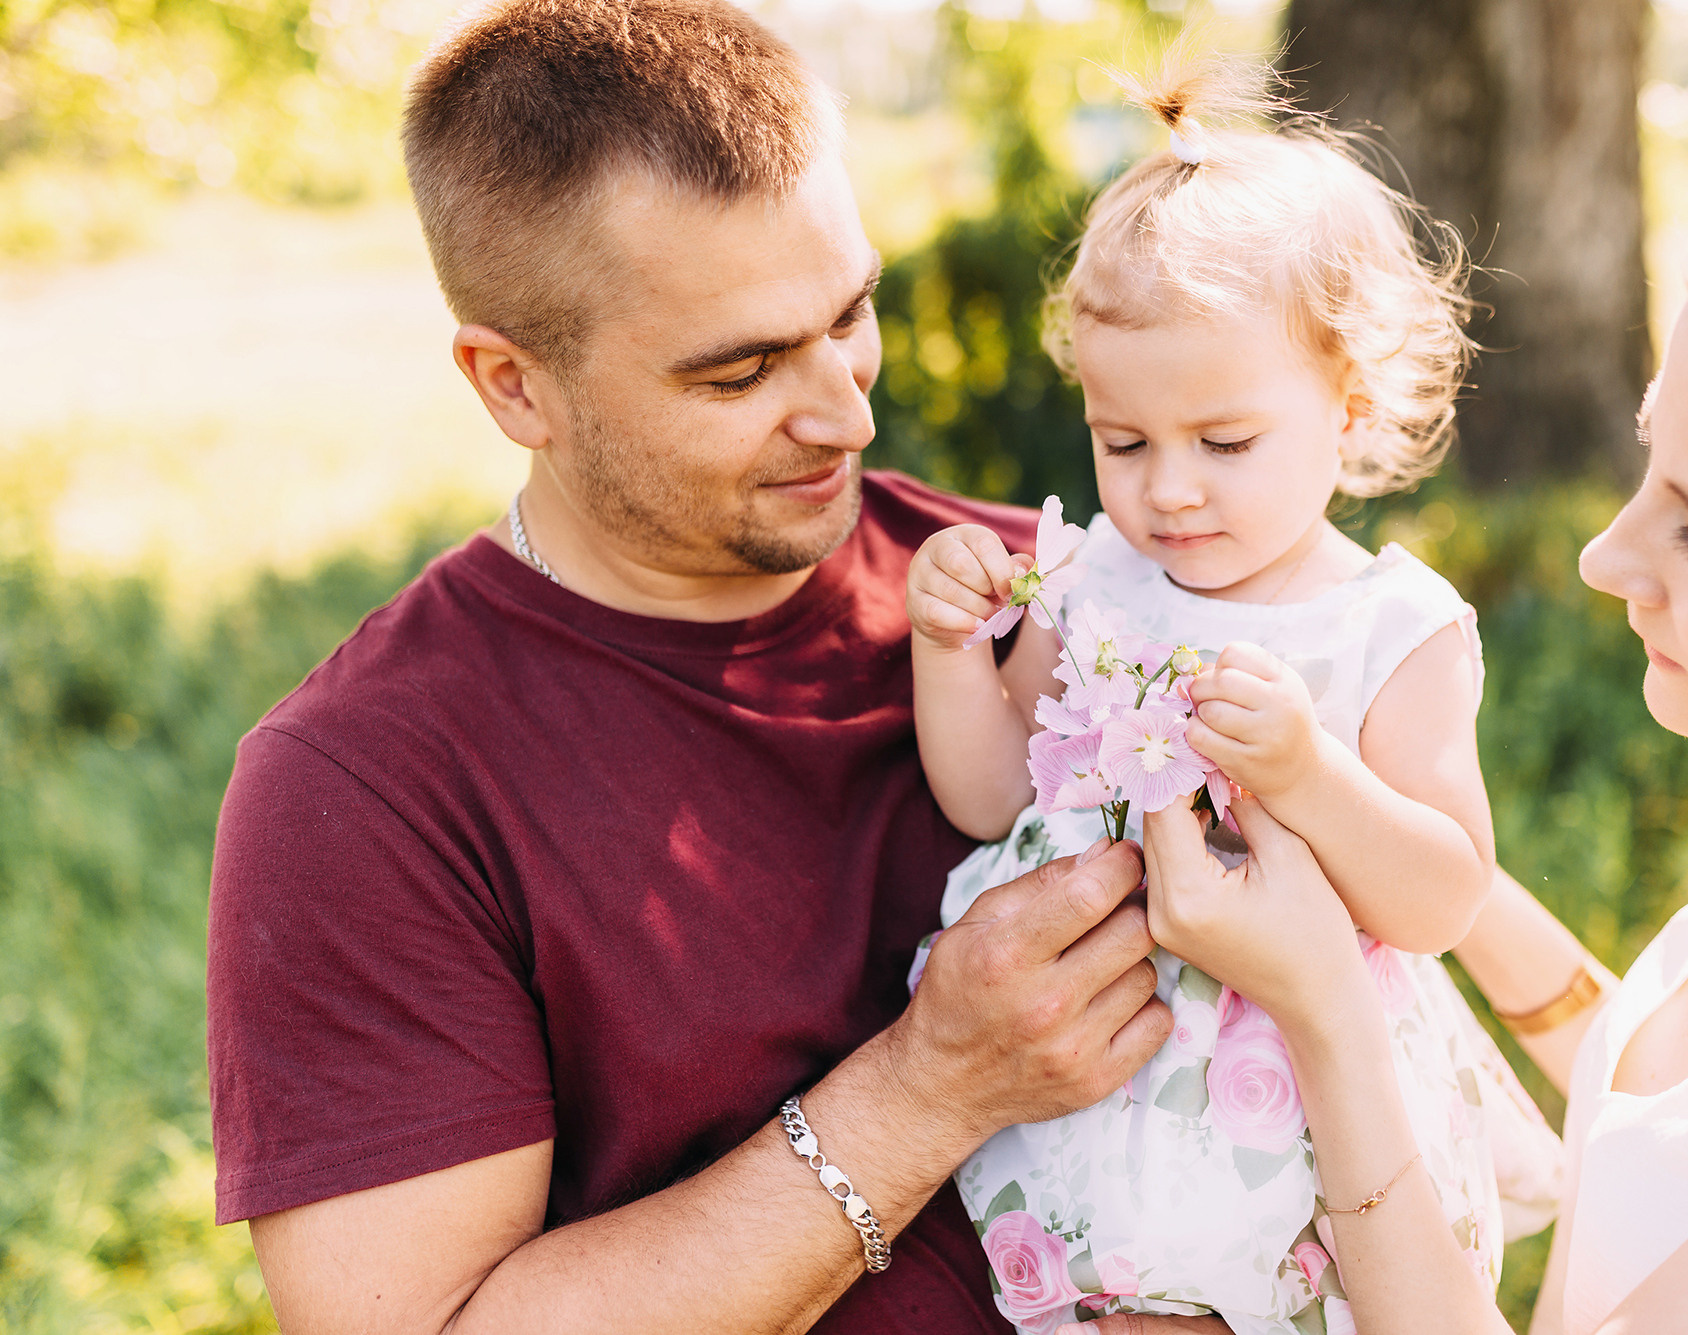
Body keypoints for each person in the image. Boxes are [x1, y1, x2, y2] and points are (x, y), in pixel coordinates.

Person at [203, 3, 1177, 1331]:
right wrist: (930, 1086)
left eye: (851, 313)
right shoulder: (368, 789)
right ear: (513, 387)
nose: (848, 408)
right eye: (744, 371)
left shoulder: (1056, 600)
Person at [1106, 131, 1688, 1335]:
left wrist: (1324, 1006)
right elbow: (1686, 1108)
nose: (1603, 558)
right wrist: (1390, 843)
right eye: (1649, 467)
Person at [903, 59, 1561, 1334]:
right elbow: (990, 794)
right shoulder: (1100, 579)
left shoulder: (1388, 627)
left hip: (1296, 1103)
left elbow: (1438, 896)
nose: (1168, 492)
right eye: (1121, 441)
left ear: (1347, 407)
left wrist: (1311, 775)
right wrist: (947, 648)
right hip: (1101, 1060)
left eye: (1223, 442)